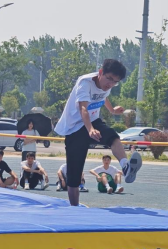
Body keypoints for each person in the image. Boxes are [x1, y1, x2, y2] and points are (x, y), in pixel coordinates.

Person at [54, 58, 141, 206]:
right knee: (74, 175)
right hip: (74, 127)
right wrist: (90, 129)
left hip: (94, 121)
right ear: (100, 72)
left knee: (113, 136)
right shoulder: (85, 83)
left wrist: (112, 110)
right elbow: (83, 108)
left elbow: (103, 96)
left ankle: (126, 167)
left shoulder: (108, 84)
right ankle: (74, 208)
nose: (110, 84)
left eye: (115, 82)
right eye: (109, 79)